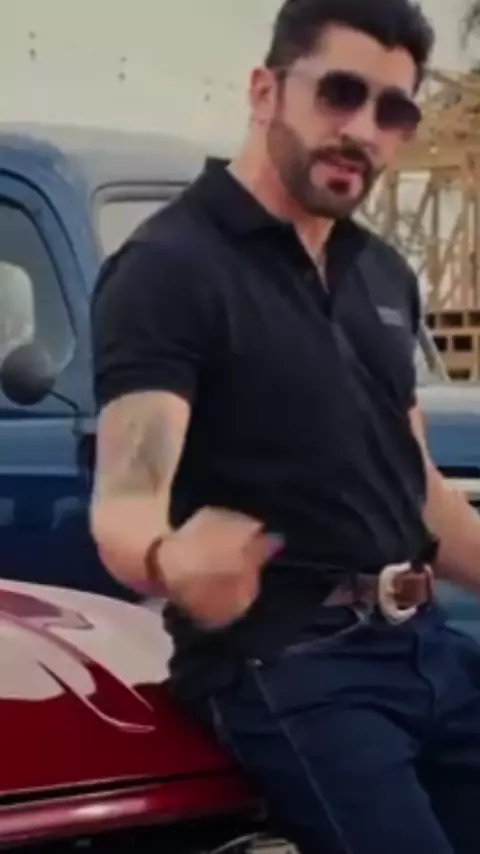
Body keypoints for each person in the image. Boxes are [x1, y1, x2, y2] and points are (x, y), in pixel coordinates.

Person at [88, 0, 480, 850]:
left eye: (393, 110)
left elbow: (418, 489)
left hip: (423, 645)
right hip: (295, 664)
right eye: (340, 93)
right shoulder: (170, 268)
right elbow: (125, 499)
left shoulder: (382, 271)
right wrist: (168, 559)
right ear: (265, 90)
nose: (363, 131)